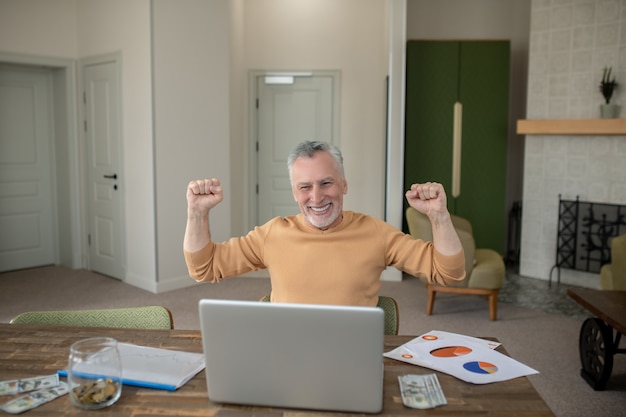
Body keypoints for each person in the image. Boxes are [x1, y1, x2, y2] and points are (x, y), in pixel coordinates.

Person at [184, 140, 465, 307]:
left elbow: (448, 274)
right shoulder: (273, 234)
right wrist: (197, 213)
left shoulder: (376, 233)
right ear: (295, 193)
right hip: (289, 357)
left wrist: (439, 216)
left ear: (343, 184)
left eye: (326, 183)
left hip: (352, 356)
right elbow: (204, 268)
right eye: (305, 187)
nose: (316, 197)